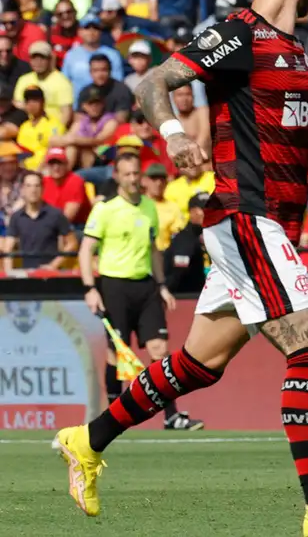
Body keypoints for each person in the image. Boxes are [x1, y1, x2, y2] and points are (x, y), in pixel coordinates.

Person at [53, 0, 308, 535]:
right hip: (247, 216)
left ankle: (87, 440)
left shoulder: (293, 51)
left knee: (199, 363)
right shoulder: (240, 32)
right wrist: (171, 134)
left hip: (268, 224)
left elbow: (294, 141)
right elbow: (154, 81)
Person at [77, 153, 190, 424]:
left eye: (135, 174)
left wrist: (161, 285)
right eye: (126, 174)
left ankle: (171, 416)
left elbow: (153, 251)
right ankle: (112, 419)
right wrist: (90, 288)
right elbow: (85, 250)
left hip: (145, 286)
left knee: (160, 350)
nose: (132, 179)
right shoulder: (105, 210)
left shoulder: (149, 207)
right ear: (117, 176)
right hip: (114, 285)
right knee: (117, 352)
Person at [2, 171, 76, 271]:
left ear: (42, 189)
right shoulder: (16, 217)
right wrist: (9, 275)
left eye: (37, 186)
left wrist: (53, 265)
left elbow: (72, 243)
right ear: (22, 190)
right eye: (28, 186)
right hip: (27, 276)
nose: (33, 190)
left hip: (50, 276)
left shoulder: (55, 214)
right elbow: (8, 249)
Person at [163, 191, 210, 294]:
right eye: (204, 209)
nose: (209, 212)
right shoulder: (184, 240)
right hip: (186, 299)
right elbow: (177, 276)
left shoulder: (211, 236)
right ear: (192, 212)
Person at [42, 147, 91, 228]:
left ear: (66, 164)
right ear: (47, 166)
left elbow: (67, 218)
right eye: (52, 163)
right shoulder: (44, 181)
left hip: (77, 225)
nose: (56, 167)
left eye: (59, 163)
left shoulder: (75, 181)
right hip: (50, 224)